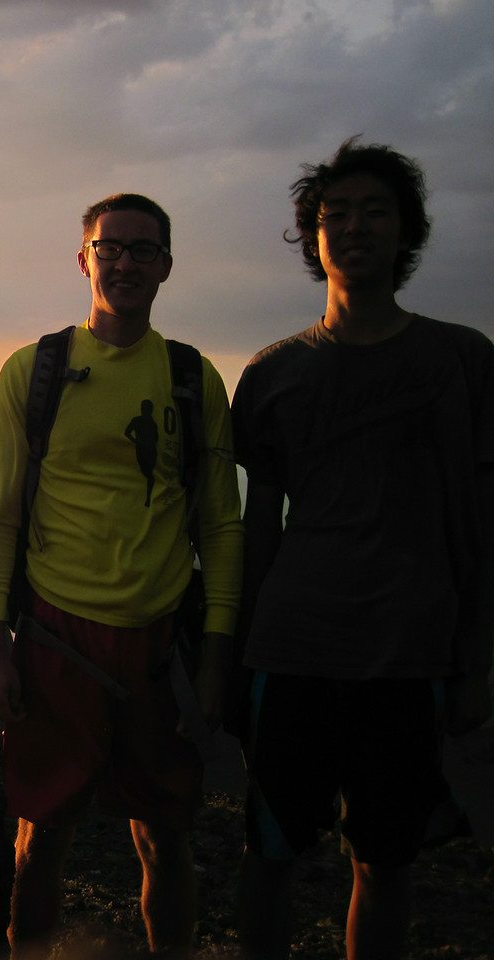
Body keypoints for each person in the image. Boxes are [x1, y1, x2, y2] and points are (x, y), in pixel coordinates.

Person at [231, 139, 493, 960]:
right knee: (269, 854)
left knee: (385, 861)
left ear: (406, 232)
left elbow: (481, 517)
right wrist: (233, 655)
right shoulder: (273, 375)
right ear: (312, 238)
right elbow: (257, 526)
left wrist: (476, 657)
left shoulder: (463, 360)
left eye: (374, 211)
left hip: (407, 652)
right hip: (292, 647)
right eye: (333, 214)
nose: (352, 227)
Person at [0, 194, 243, 959]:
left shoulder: (194, 379)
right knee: (41, 840)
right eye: (109, 247)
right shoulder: (37, 371)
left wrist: (217, 656)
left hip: (160, 647)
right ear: (84, 258)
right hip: (57, 639)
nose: (125, 261)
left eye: (142, 250)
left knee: (165, 839)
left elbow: (221, 526)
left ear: (165, 266)